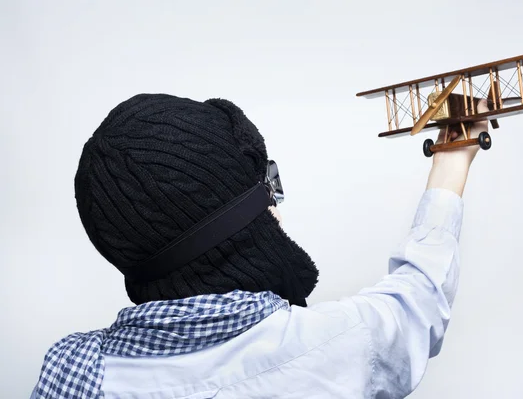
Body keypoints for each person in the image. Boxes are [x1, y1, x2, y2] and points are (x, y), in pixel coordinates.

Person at [31, 94, 489, 399]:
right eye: (267, 189)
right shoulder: (335, 345)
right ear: (239, 220)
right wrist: (452, 159)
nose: (278, 208)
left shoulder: (73, 372)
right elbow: (417, 303)